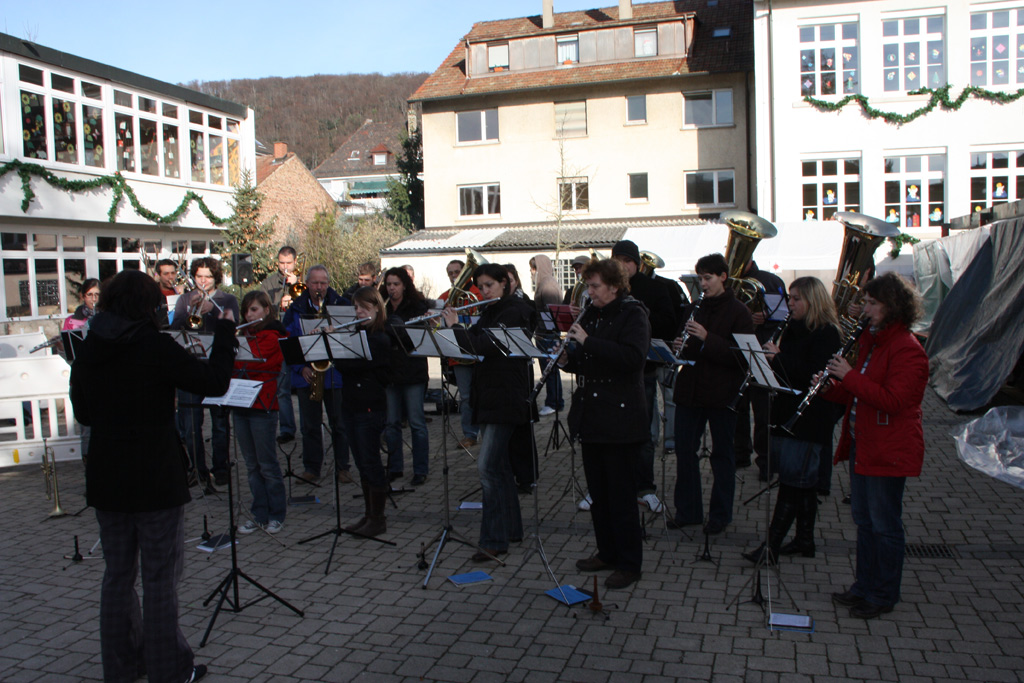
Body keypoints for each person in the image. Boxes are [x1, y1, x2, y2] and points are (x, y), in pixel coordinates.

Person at [70, 269, 231, 683]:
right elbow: (213, 381)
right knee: (159, 581)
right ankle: (169, 672)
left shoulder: (88, 347)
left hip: (108, 478)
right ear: (147, 306)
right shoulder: (154, 345)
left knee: (117, 578)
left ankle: (122, 670)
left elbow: (84, 413)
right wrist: (226, 333)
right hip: (155, 477)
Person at [824, 273, 928, 620]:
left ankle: (883, 593)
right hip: (864, 444)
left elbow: (894, 401)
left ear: (892, 307)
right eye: (864, 302)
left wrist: (849, 375)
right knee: (865, 522)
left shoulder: (908, 350)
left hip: (888, 449)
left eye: (871, 304)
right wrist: (830, 386)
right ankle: (863, 586)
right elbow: (857, 392)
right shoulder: (872, 341)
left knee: (884, 525)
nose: (863, 309)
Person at [559, 258, 650, 590]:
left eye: (595, 286)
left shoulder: (633, 314)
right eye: (588, 286)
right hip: (592, 416)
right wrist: (570, 359)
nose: (590, 292)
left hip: (621, 417)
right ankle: (607, 551)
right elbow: (590, 361)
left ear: (614, 286)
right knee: (599, 492)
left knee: (621, 495)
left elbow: (632, 358)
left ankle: (629, 562)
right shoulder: (593, 314)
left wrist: (587, 342)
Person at [741, 277, 841, 564]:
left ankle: (771, 546)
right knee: (803, 482)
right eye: (790, 298)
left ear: (813, 301)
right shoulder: (794, 329)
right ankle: (804, 540)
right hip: (788, 411)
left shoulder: (826, 333)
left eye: (796, 299)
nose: (790, 304)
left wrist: (778, 357)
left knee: (792, 482)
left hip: (810, 417)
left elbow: (813, 373)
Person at [441, 263, 537, 562]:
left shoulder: (515, 311)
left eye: (489, 286)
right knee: (501, 468)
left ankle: (494, 540)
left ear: (505, 284)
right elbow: (473, 345)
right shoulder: (491, 312)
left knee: (487, 468)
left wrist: (455, 327)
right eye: (480, 286)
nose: (483, 291)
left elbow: (483, 345)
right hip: (493, 399)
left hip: (506, 400)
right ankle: (510, 530)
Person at [670, 253, 754, 535]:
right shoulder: (695, 307)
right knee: (684, 451)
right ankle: (688, 511)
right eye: (700, 278)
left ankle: (720, 515)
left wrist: (707, 338)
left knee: (723, 456)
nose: (703, 284)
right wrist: (680, 345)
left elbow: (741, 358)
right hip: (691, 391)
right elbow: (688, 346)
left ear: (723, 277)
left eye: (708, 278)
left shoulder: (739, 312)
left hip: (722, 394)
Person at [611, 239, 675, 514]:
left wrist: (639, 319)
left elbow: (670, 323)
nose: (623, 266)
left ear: (636, 264)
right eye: (618, 261)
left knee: (646, 432)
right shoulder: (608, 289)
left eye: (628, 261)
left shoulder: (656, 288)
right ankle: (613, 486)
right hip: (613, 370)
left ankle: (645, 488)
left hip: (645, 369)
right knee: (613, 431)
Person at [171, 257, 239, 488]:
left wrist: (214, 311)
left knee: (220, 422)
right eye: (199, 276)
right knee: (190, 422)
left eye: (207, 277)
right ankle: (198, 469)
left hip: (216, 368)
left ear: (216, 278)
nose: (203, 281)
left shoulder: (227, 299)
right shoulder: (184, 299)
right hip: (191, 366)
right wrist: (192, 308)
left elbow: (234, 325)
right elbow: (176, 328)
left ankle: (221, 468)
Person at [282, 265, 354, 484]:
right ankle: (312, 468)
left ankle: (343, 467)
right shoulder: (295, 308)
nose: (319, 287)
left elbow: (349, 337)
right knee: (309, 426)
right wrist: (299, 368)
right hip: (307, 374)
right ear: (307, 283)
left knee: (339, 424)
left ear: (328, 284)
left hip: (334, 374)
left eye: (323, 283)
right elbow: (288, 343)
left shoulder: (341, 305)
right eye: (315, 283)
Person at [335, 286, 394, 536]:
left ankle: (378, 519)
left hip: (370, 407)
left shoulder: (379, 337)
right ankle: (369, 514)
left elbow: (351, 364)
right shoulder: (356, 334)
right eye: (356, 308)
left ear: (377, 309)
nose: (358, 312)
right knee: (361, 461)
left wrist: (333, 342)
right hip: (351, 404)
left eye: (364, 308)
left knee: (371, 462)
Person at [234, 291, 288, 536]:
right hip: (240, 403)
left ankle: (276, 514)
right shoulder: (243, 336)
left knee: (267, 464)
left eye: (254, 310)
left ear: (267, 310)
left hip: (263, 405)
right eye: (246, 311)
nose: (249, 315)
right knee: (251, 465)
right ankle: (259, 513)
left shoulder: (274, 335)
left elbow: (260, 361)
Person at [733, 259, 787, 477]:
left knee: (763, 409)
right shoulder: (732, 283)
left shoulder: (770, 280)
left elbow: (785, 313)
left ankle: (765, 461)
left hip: (761, 347)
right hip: (738, 347)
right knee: (739, 405)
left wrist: (766, 316)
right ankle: (740, 454)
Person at [381, 267, 431, 485]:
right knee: (391, 422)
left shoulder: (416, 307)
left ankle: (420, 469)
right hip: (389, 371)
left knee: (416, 422)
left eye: (396, 284)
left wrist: (394, 330)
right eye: (389, 284)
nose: (392, 288)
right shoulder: (381, 306)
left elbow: (416, 339)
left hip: (412, 370)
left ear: (404, 285)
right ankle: (395, 467)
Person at [439, 258, 480, 448]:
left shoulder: (478, 293)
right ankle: (470, 434)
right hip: (458, 354)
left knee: (482, 393)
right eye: (451, 273)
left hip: (478, 350)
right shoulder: (446, 297)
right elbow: (437, 321)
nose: (454, 276)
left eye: (457, 272)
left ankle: (485, 430)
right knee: (465, 396)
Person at [261, 246, 299, 444]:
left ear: (295, 263)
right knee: (282, 389)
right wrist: (278, 305)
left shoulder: (301, 283)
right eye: (281, 263)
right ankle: (286, 429)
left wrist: (297, 289)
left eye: (289, 263)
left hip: (297, 338)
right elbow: (261, 310)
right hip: (278, 339)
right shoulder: (268, 283)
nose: (285, 267)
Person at [530, 255, 564, 417]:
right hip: (544, 333)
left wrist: (547, 330)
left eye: (534, 268)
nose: (531, 272)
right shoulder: (544, 283)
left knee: (550, 370)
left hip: (548, 334)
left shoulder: (548, 284)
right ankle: (555, 401)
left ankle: (554, 402)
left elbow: (552, 311)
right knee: (548, 370)